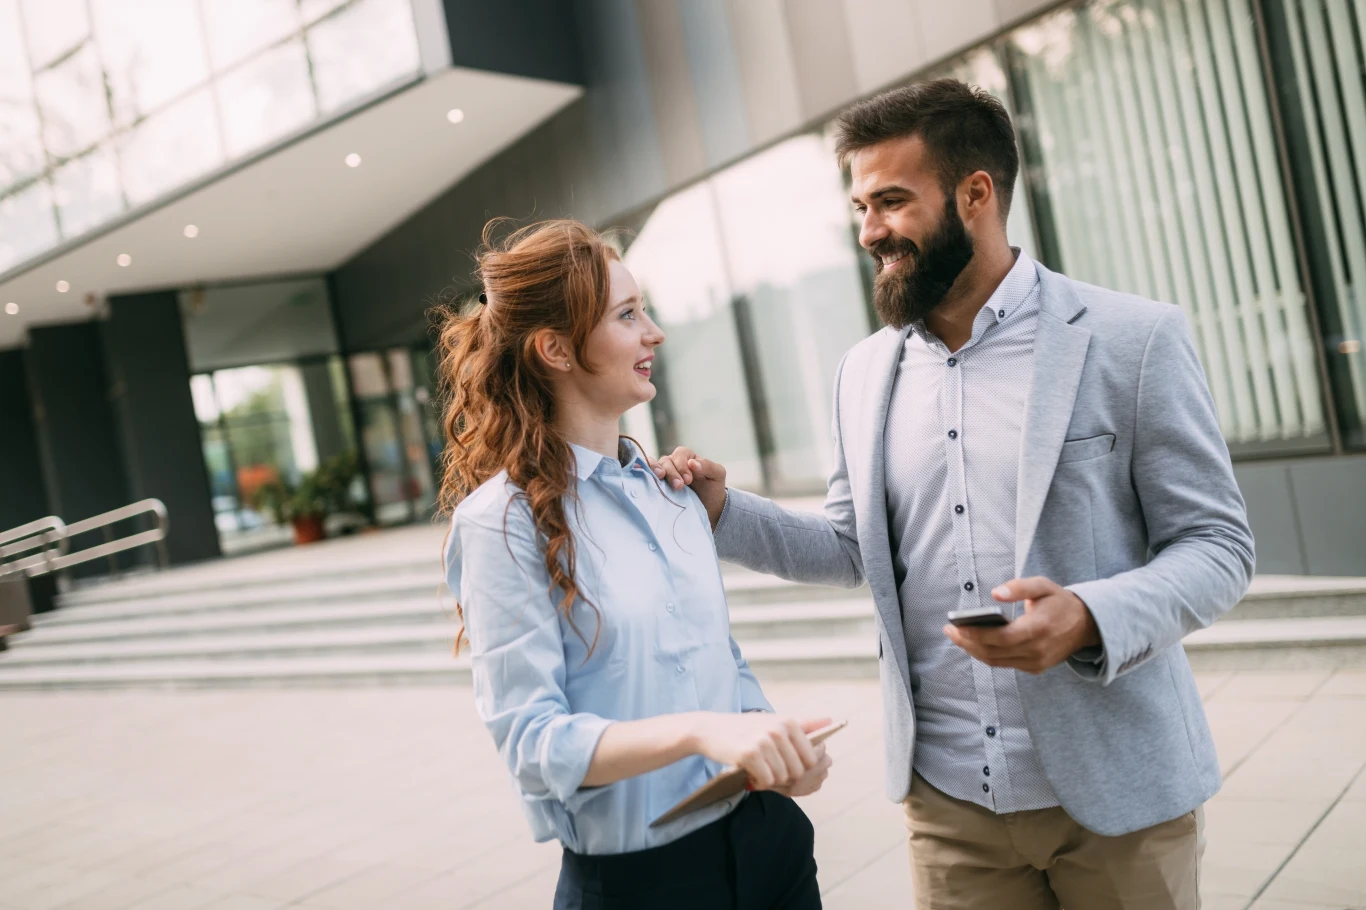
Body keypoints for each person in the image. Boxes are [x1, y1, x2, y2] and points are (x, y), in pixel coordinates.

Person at [654, 79, 1254, 910]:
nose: (870, 232)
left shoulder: (1132, 338)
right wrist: (724, 509)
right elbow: (849, 548)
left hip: (1119, 799)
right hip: (949, 805)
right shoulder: (862, 374)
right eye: (861, 207)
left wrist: (1088, 615)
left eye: (892, 202)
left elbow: (1219, 546)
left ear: (976, 195)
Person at [437, 219, 832, 910]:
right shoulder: (500, 523)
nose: (654, 332)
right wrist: (702, 732)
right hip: (640, 884)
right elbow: (532, 744)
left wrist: (774, 747)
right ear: (555, 348)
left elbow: (721, 661)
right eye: (627, 315)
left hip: (768, 844)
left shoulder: (672, 491)